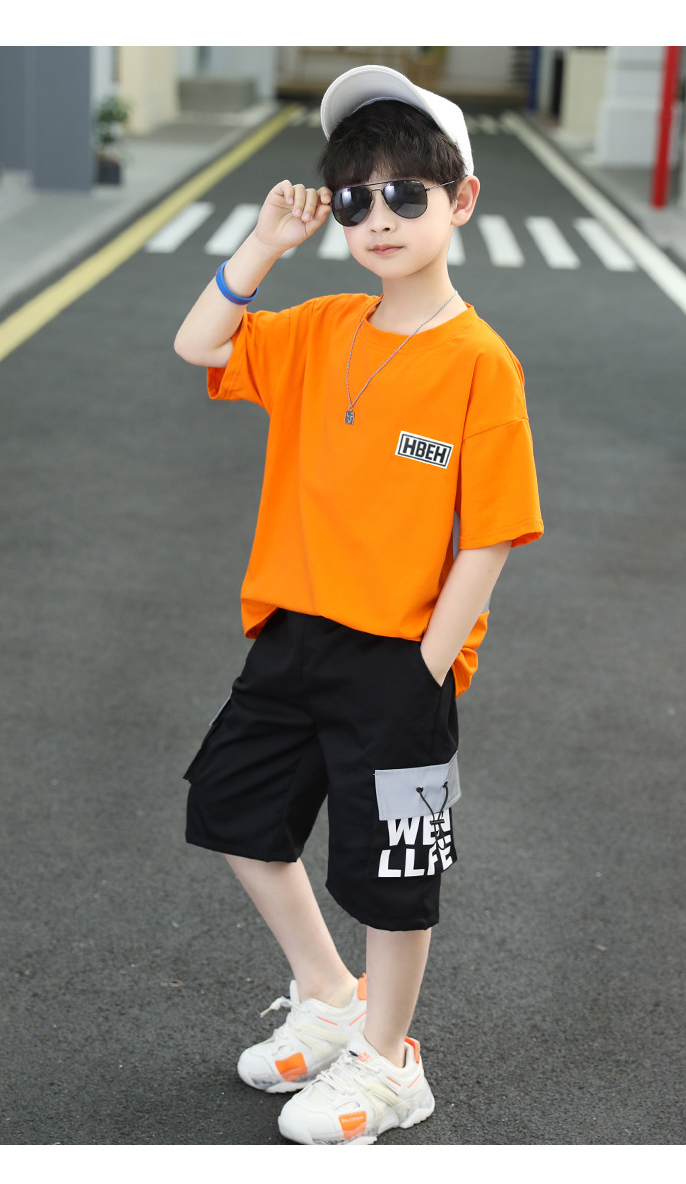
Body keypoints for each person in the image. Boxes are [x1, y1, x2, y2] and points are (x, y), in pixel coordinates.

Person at [174, 64, 544, 1146]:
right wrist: (264, 246)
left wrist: (427, 665)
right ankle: (330, 995)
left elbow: (490, 533)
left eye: (405, 194)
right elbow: (201, 344)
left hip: (401, 659)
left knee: (394, 877)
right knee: (233, 811)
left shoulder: (481, 363)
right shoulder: (321, 325)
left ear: (461, 200)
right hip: (292, 636)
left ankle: (389, 1063)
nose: (377, 217)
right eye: (353, 198)